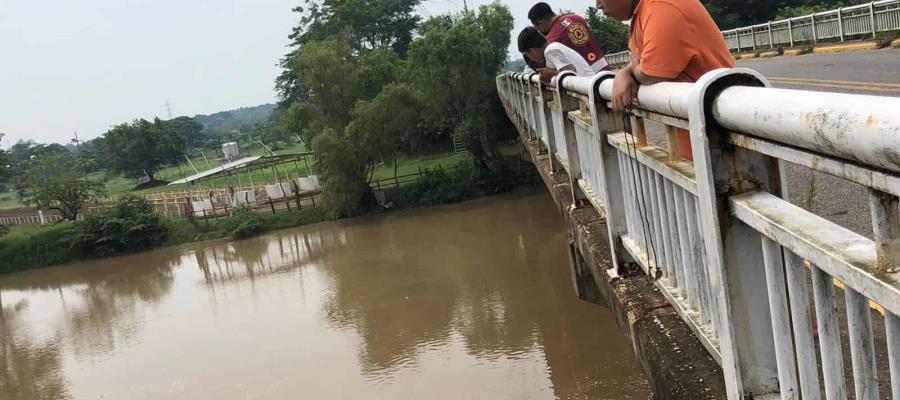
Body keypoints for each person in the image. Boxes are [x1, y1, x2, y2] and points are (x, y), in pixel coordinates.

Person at [597, 0, 734, 159]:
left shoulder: (661, 5)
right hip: (705, 140)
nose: (598, 5)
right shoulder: (643, 11)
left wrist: (632, 70)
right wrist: (626, 72)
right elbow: (642, 63)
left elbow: (651, 72)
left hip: (724, 147)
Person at [528, 3, 608, 72]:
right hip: (604, 67)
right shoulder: (577, 18)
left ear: (541, 23)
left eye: (537, 27)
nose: (538, 30)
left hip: (588, 78)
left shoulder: (552, 40)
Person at [518, 27, 604, 81]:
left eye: (527, 54)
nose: (529, 58)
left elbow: (571, 71)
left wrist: (553, 73)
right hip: (589, 85)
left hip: (588, 86)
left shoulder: (550, 51)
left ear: (532, 51)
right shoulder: (554, 47)